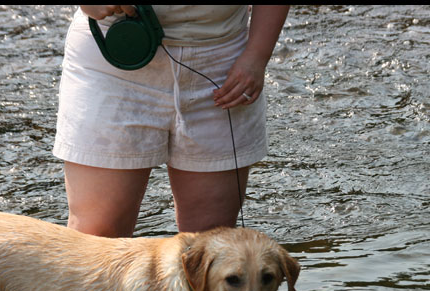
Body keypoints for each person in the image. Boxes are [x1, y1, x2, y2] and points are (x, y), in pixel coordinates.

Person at [53, 5, 290, 237]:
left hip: (223, 61)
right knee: (98, 235)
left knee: (208, 243)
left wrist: (257, 55)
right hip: (113, 51)